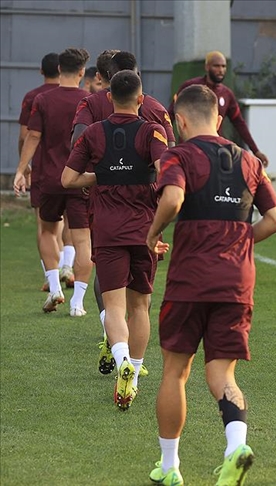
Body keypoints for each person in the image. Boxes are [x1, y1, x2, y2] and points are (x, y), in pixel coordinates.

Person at [145, 84, 276, 485]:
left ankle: (170, 467)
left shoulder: (178, 155)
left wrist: (152, 234)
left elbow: (173, 199)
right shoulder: (249, 161)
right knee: (223, 375)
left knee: (175, 372)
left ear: (179, 121)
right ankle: (236, 446)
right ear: (219, 119)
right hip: (236, 281)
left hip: (190, 279)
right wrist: (239, 242)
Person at [61, 70, 168, 410]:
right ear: (141, 99)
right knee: (140, 306)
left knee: (115, 307)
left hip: (107, 230)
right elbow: (165, 170)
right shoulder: (153, 131)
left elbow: (67, 179)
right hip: (145, 231)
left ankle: (121, 360)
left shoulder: (94, 133)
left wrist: (101, 176)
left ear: (109, 98)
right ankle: (132, 376)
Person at [14, 47, 92, 316]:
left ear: (59, 69)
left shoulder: (43, 99)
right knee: (83, 240)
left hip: (49, 178)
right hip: (80, 179)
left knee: (48, 231)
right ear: (82, 71)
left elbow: (32, 136)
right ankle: (77, 302)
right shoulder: (89, 100)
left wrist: (21, 170)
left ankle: (55, 287)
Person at [16, 52, 74, 292]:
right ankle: (67, 266)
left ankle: (52, 277)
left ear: (41, 71)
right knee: (73, 222)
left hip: (44, 168)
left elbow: (26, 135)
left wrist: (24, 165)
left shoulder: (34, 97)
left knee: (46, 226)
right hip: (75, 170)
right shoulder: (81, 97)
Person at [168, 51, 268, 166]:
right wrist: (168, 144)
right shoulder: (190, 88)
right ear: (207, 67)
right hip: (189, 150)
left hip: (213, 152)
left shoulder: (227, 94)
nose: (220, 70)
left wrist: (255, 150)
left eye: (223, 66)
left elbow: (239, 123)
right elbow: (170, 115)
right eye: (216, 66)